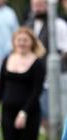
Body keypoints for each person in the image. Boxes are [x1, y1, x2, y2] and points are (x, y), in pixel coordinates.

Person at [24, 0, 67, 132]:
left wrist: (52, 66)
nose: (38, 8)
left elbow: (65, 50)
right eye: (35, 5)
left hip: (55, 77)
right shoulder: (28, 25)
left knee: (51, 111)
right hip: (33, 77)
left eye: (41, 5)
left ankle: (54, 137)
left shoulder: (58, 24)